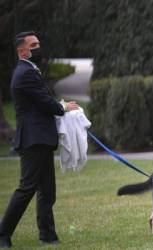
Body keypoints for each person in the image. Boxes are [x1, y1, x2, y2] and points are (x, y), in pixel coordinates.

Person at [0, 31, 78, 248]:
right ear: (21, 51)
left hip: (41, 139)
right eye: (33, 45)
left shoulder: (30, 70)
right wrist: (63, 107)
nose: (38, 47)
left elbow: (41, 101)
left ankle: (48, 235)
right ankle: (3, 232)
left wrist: (60, 107)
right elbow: (44, 101)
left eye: (38, 43)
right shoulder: (25, 73)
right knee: (26, 189)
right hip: (33, 140)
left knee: (47, 190)